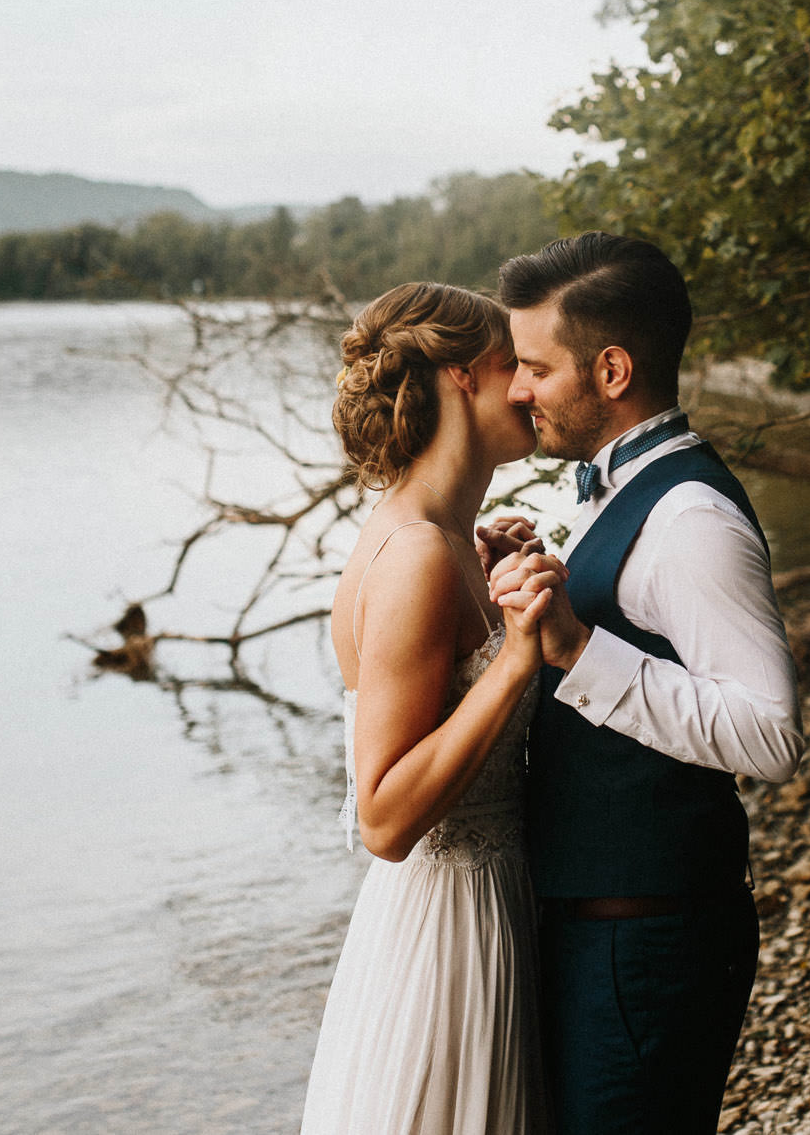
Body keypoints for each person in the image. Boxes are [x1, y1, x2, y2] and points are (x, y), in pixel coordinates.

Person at [496, 232, 805, 1134]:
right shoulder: (616, 490)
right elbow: (639, 631)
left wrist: (578, 648)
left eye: (534, 367)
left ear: (613, 369)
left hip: (648, 941)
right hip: (606, 930)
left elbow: (771, 734)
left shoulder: (693, 516)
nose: (517, 390)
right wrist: (536, 577)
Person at [299, 282, 564, 1134]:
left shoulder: (446, 536)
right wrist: (516, 657)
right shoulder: (415, 551)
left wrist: (498, 596)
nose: (530, 385)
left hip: (489, 903)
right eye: (513, 366)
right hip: (451, 934)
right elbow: (382, 817)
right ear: (459, 376)